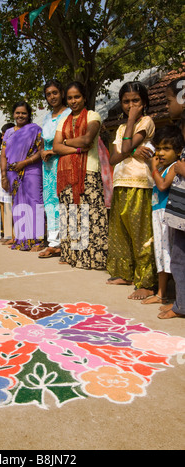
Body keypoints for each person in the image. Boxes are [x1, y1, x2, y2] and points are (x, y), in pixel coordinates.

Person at [106, 81, 157, 300]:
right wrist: (132, 150)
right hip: (120, 183)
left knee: (141, 235)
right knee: (121, 233)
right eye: (126, 102)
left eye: (135, 101)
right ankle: (125, 273)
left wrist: (129, 145)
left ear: (144, 102)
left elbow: (125, 148)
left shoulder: (146, 121)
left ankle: (146, 282)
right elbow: (113, 158)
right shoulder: (119, 129)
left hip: (140, 184)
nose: (130, 105)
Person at [53, 81, 108, 269]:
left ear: (84, 97)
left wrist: (66, 142)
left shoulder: (93, 116)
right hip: (67, 173)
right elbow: (56, 147)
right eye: (69, 98)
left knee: (90, 216)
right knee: (72, 216)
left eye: (77, 97)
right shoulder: (63, 120)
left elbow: (87, 139)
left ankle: (92, 258)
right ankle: (74, 257)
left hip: (89, 172)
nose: (73, 101)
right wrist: (77, 149)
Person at [141, 125, 184, 305]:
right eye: (158, 148)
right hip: (157, 212)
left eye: (166, 149)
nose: (161, 153)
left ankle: (167, 294)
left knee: (168, 251)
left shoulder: (174, 167)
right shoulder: (164, 166)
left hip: (167, 214)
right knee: (160, 250)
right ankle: (161, 293)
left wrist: (153, 169)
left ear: (178, 151)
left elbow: (163, 185)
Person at [0, 101, 44, 251]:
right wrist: (3, 176)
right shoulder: (8, 132)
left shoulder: (35, 130)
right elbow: (3, 155)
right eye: (18, 113)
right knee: (18, 205)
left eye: (24, 113)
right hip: (13, 173)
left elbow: (41, 151)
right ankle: (22, 239)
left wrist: (25, 162)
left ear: (29, 114)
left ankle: (37, 241)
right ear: (13, 114)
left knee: (35, 202)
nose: (20, 116)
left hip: (32, 170)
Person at [158, 78, 185, 319]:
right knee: (179, 257)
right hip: (180, 209)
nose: (167, 106)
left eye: (168, 100)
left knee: (180, 259)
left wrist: (177, 166)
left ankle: (181, 305)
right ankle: (181, 303)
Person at [39, 79, 71, 259]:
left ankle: (67, 244)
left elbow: (71, 138)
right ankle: (53, 243)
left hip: (63, 162)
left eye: (55, 93)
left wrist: (53, 150)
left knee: (64, 201)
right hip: (48, 166)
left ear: (62, 93)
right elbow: (44, 140)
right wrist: (44, 150)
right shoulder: (46, 117)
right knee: (50, 202)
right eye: (48, 94)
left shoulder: (68, 114)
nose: (52, 97)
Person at [0, 123, 15, 244]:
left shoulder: (16, 147)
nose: (3, 137)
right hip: (4, 179)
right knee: (5, 207)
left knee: (13, 207)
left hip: (13, 178)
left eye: (5, 135)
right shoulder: (3, 148)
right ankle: (8, 233)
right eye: (3, 135)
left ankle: (14, 235)